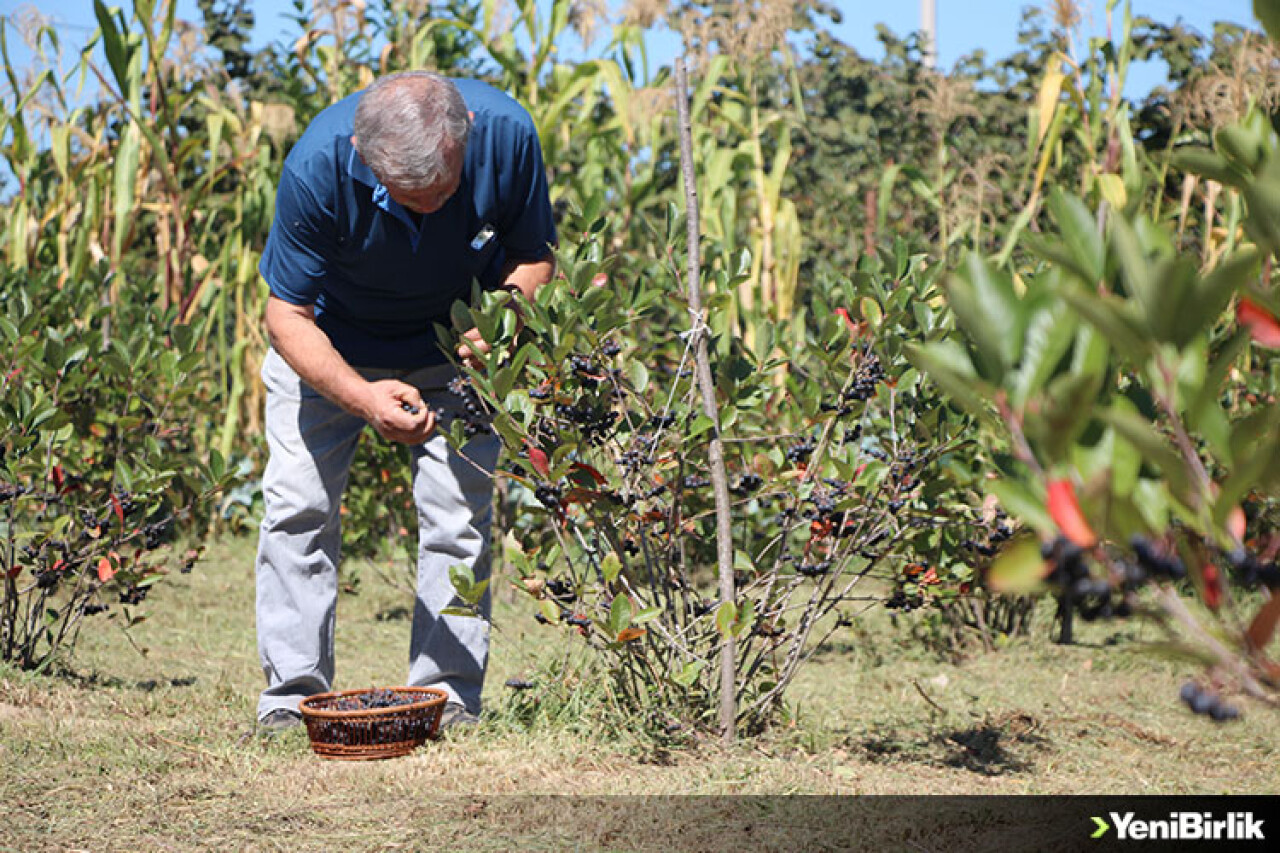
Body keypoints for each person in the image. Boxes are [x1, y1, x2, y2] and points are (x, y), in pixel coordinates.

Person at [253, 71, 555, 733]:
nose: (426, 210)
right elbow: (286, 318)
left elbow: (534, 259)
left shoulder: (507, 135)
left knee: (459, 519)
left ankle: (447, 700)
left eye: (441, 193)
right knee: (297, 509)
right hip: (329, 348)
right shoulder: (318, 163)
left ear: (465, 139)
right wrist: (362, 397)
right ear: (366, 158)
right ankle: (289, 699)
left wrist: (501, 323)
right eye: (405, 196)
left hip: (458, 346)